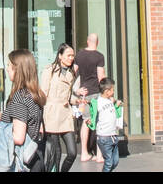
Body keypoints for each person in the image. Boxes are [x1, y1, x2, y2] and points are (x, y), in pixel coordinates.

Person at [0, 48, 45, 171]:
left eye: (9, 65)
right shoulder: (35, 95)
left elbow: (19, 137)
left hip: (20, 162)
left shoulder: (20, 97)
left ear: (18, 70)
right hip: (34, 159)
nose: (7, 69)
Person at [42, 42, 85, 172]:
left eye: (73, 56)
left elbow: (66, 96)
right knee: (55, 153)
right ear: (60, 55)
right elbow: (43, 93)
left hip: (65, 115)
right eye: (68, 55)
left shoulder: (71, 74)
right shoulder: (49, 70)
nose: (71, 58)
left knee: (72, 152)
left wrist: (77, 101)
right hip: (52, 114)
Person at [74, 33, 106, 162]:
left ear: (88, 41)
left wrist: (76, 90)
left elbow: (73, 73)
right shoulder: (99, 56)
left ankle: (84, 153)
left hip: (83, 94)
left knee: (86, 122)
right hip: (96, 93)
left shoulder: (79, 55)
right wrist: (107, 93)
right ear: (97, 42)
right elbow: (101, 77)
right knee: (98, 122)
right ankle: (99, 155)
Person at [88, 77, 125, 173]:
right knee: (109, 162)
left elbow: (114, 114)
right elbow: (93, 115)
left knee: (115, 161)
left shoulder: (110, 101)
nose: (113, 91)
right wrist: (90, 122)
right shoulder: (98, 102)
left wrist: (116, 105)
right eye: (112, 90)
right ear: (106, 91)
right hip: (103, 137)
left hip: (113, 136)